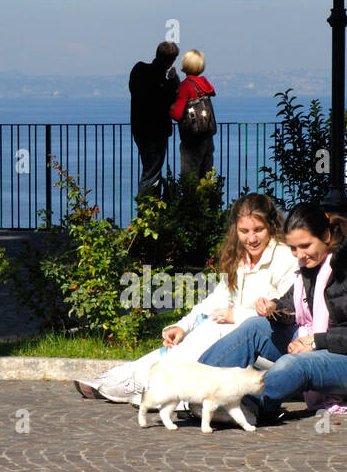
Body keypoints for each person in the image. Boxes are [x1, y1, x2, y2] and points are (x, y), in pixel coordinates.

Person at [198, 204, 347, 425]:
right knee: (254, 328)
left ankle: (247, 406)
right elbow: (295, 305)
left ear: (326, 236)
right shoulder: (311, 265)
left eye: (305, 246)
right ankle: (197, 388)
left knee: (295, 364)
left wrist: (317, 342)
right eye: (293, 248)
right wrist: (274, 307)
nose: (299, 255)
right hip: (324, 344)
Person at [74, 193, 298, 403]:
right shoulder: (240, 257)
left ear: (272, 226)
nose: (251, 238)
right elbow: (214, 300)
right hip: (230, 336)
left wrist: (235, 315)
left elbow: (288, 311)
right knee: (200, 329)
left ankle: (144, 382)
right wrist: (182, 326)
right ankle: (126, 374)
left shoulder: (284, 258)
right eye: (244, 231)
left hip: (265, 347)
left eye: (258, 230)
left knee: (214, 329)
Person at [130, 42, 181, 198]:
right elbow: (170, 100)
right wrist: (173, 80)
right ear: (171, 61)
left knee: (150, 170)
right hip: (156, 132)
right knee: (151, 173)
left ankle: (152, 209)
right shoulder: (163, 83)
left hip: (139, 129)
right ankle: (146, 213)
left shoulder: (139, 69)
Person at [169, 49, 216, 182]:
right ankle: (207, 202)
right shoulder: (204, 83)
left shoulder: (186, 86)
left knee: (189, 179)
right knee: (206, 177)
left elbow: (177, 114)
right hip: (207, 135)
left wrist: (168, 107)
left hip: (192, 139)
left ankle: (191, 203)